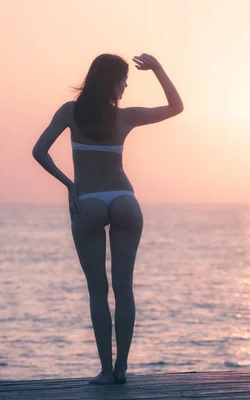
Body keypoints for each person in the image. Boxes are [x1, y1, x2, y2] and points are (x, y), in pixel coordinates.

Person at [32, 53, 184, 384]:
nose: (126, 84)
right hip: (124, 200)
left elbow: (38, 151)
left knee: (98, 291)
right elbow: (176, 107)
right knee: (124, 289)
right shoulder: (125, 117)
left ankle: (105, 370)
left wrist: (70, 184)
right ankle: (122, 368)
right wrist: (158, 69)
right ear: (112, 82)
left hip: (88, 201)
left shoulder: (70, 111)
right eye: (124, 79)